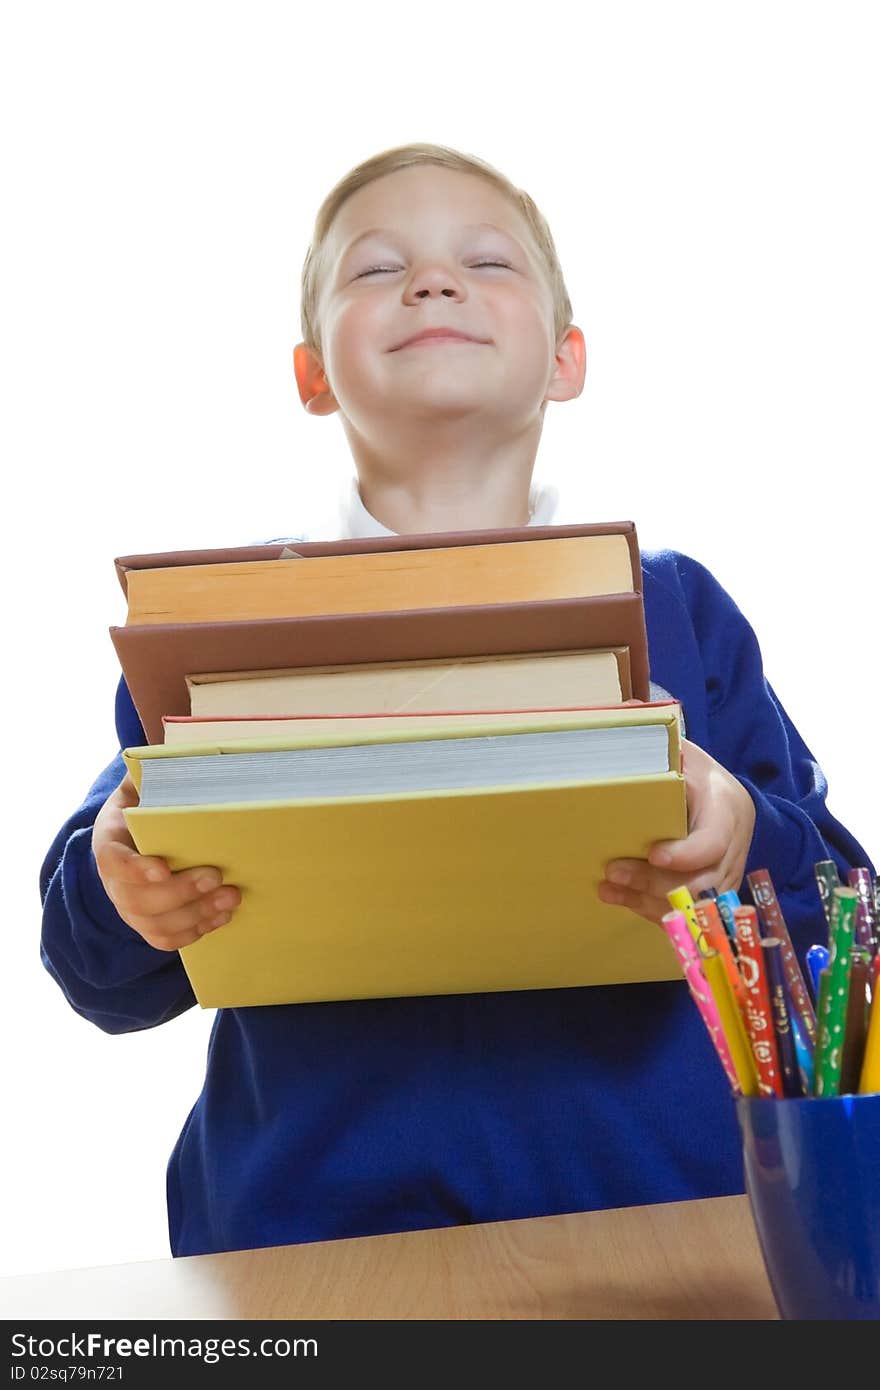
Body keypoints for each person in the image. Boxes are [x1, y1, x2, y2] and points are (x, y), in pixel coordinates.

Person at [40, 143, 875, 1258]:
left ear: (567, 359)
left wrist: (740, 840)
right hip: (307, 1239)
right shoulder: (217, 625)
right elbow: (99, 970)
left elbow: (842, 918)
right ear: (312, 375)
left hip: (662, 1224)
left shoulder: (675, 606)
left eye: (486, 260)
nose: (432, 283)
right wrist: (118, 881)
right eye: (375, 269)